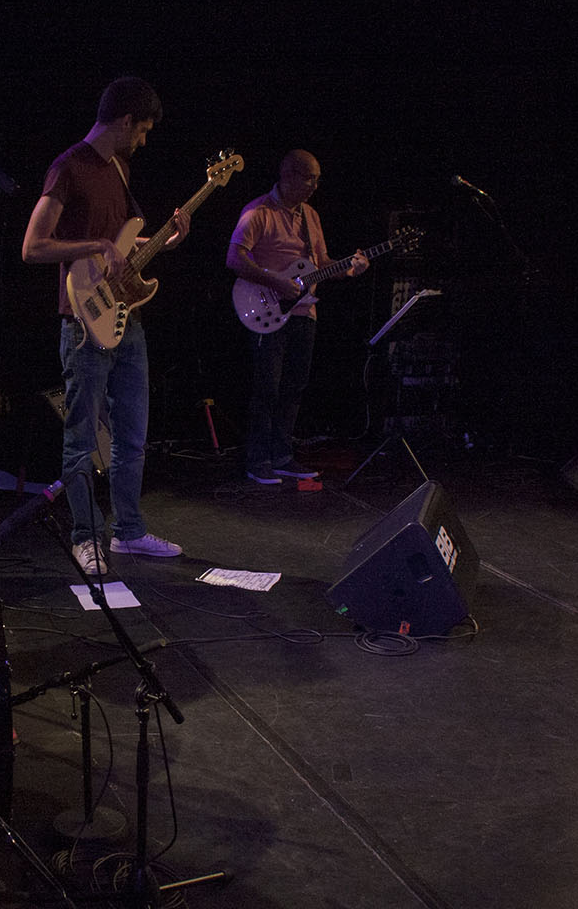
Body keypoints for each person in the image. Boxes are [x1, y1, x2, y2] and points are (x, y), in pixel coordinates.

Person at [20, 75, 189, 576]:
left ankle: (129, 532)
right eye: (143, 130)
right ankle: (85, 536)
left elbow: (123, 250)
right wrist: (95, 245)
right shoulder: (68, 167)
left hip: (126, 318)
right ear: (125, 120)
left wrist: (165, 241)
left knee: (132, 436)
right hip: (82, 322)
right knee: (82, 439)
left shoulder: (119, 168)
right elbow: (33, 247)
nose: (144, 141)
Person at [227, 149, 369, 485]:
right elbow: (234, 258)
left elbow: (321, 264)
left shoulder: (311, 216)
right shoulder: (259, 212)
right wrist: (275, 280)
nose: (315, 186)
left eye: (317, 179)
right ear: (288, 175)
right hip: (267, 311)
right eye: (309, 178)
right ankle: (258, 460)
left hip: (305, 312)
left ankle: (282, 456)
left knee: (294, 387)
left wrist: (350, 269)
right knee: (267, 387)